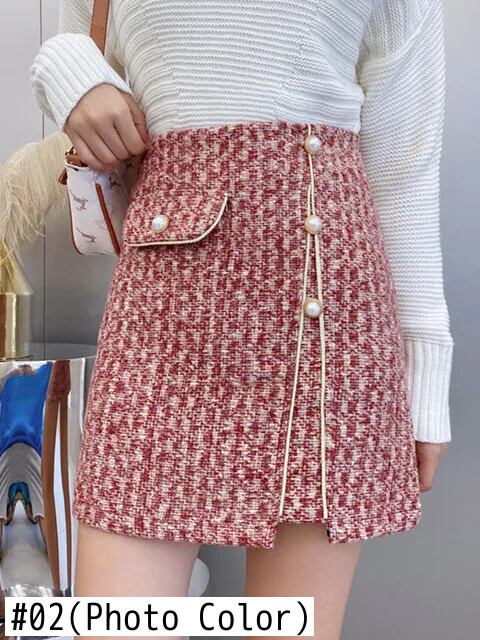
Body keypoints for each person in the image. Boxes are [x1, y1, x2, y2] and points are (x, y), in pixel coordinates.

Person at [30, 1, 454, 638]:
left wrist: (425, 373)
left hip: (324, 299)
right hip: (161, 311)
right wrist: (65, 69)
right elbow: (83, 52)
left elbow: (405, 170)